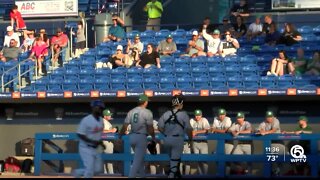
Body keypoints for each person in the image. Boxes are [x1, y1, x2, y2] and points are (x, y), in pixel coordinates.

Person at [118, 94, 156, 178]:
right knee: (137, 161)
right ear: (145, 102)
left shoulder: (131, 111)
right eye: (147, 101)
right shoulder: (147, 112)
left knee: (140, 160)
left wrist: (120, 135)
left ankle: (142, 176)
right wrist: (153, 137)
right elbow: (150, 128)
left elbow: (124, 126)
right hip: (141, 137)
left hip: (132, 137)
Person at [158, 94, 193, 178]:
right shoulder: (183, 114)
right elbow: (189, 129)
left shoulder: (166, 114)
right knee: (175, 160)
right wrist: (190, 140)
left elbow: (159, 127)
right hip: (177, 139)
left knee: (173, 159)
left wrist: (166, 134)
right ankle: (171, 175)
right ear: (180, 103)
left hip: (167, 139)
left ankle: (176, 174)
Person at [73, 100, 106, 178]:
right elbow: (80, 134)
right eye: (98, 107)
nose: (99, 109)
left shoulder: (101, 120)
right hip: (86, 147)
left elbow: (98, 134)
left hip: (96, 148)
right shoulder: (86, 120)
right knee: (89, 170)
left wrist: (101, 144)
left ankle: (78, 172)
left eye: (101, 108)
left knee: (97, 170)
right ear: (93, 108)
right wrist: (91, 141)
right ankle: (84, 173)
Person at [256, 111, 286, 176]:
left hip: (279, 143)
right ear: (265, 117)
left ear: (273, 117)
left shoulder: (276, 120)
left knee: (280, 161)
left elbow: (274, 130)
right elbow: (258, 130)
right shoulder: (263, 123)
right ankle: (274, 172)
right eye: (268, 117)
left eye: (271, 117)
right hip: (270, 143)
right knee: (271, 159)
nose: (269, 118)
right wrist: (260, 130)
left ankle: (280, 173)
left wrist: (265, 132)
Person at [211, 108, 233, 175]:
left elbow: (225, 131)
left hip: (228, 142)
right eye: (220, 114)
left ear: (225, 114)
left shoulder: (228, 119)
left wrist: (215, 130)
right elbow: (212, 130)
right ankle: (220, 173)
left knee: (227, 159)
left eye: (223, 114)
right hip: (220, 142)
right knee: (216, 157)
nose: (221, 116)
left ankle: (227, 174)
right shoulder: (216, 119)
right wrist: (214, 130)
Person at [190, 109, 210, 175]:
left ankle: (206, 175)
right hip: (195, 143)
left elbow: (207, 130)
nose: (197, 117)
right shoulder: (192, 120)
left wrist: (196, 132)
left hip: (203, 142)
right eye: (196, 115)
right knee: (197, 161)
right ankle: (201, 175)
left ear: (201, 115)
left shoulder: (204, 120)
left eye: (199, 115)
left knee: (204, 160)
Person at [102, 109, 117, 175]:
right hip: (106, 142)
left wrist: (114, 130)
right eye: (108, 115)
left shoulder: (107, 122)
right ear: (105, 116)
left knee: (106, 160)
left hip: (109, 142)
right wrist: (111, 131)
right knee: (109, 159)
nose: (110, 116)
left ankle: (106, 174)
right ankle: (111, 174)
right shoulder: (103, 121)